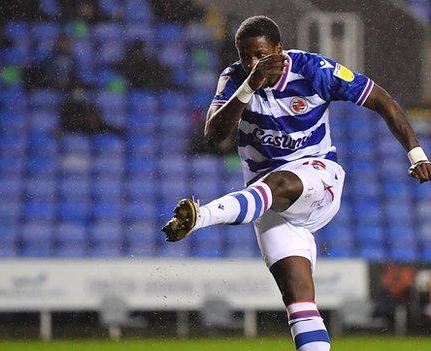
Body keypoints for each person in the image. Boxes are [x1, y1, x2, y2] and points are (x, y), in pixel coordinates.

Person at [162, 15, 431, 351]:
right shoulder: (234, 79)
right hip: (269, 202)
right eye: (245, 56)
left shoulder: (315, 70)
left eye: (260, 55)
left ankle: (200, 217)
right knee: (299, 300)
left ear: (279, 49)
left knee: (279, 183)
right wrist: (249, 85)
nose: (252, 63)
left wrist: (416, 154)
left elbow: (382, 101)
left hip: (318, 179)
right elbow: (214, 135)